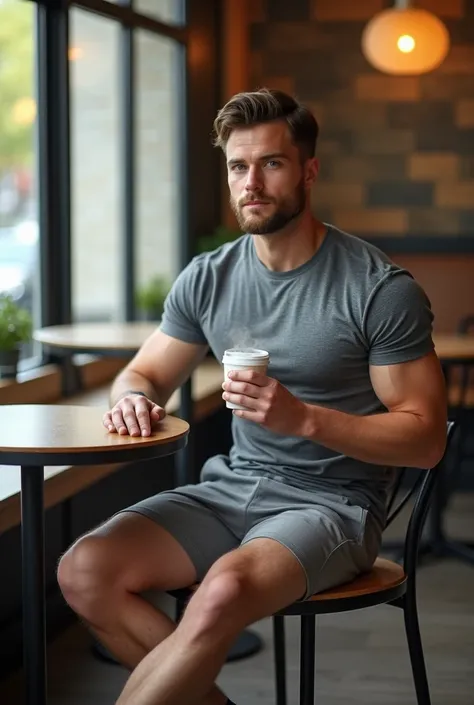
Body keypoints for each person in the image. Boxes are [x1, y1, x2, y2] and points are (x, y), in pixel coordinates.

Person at [57, 88, 447, 705]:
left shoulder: (377, 288)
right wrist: (132, 397)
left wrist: (304, 419)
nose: (252, 182)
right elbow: (144, 373)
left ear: (309, 171)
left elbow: (425, 439)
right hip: (233, 486)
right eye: (239, 166)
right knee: (84, 570)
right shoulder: (209, 277)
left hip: (335, 503)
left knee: (221, 591)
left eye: (272, 163)